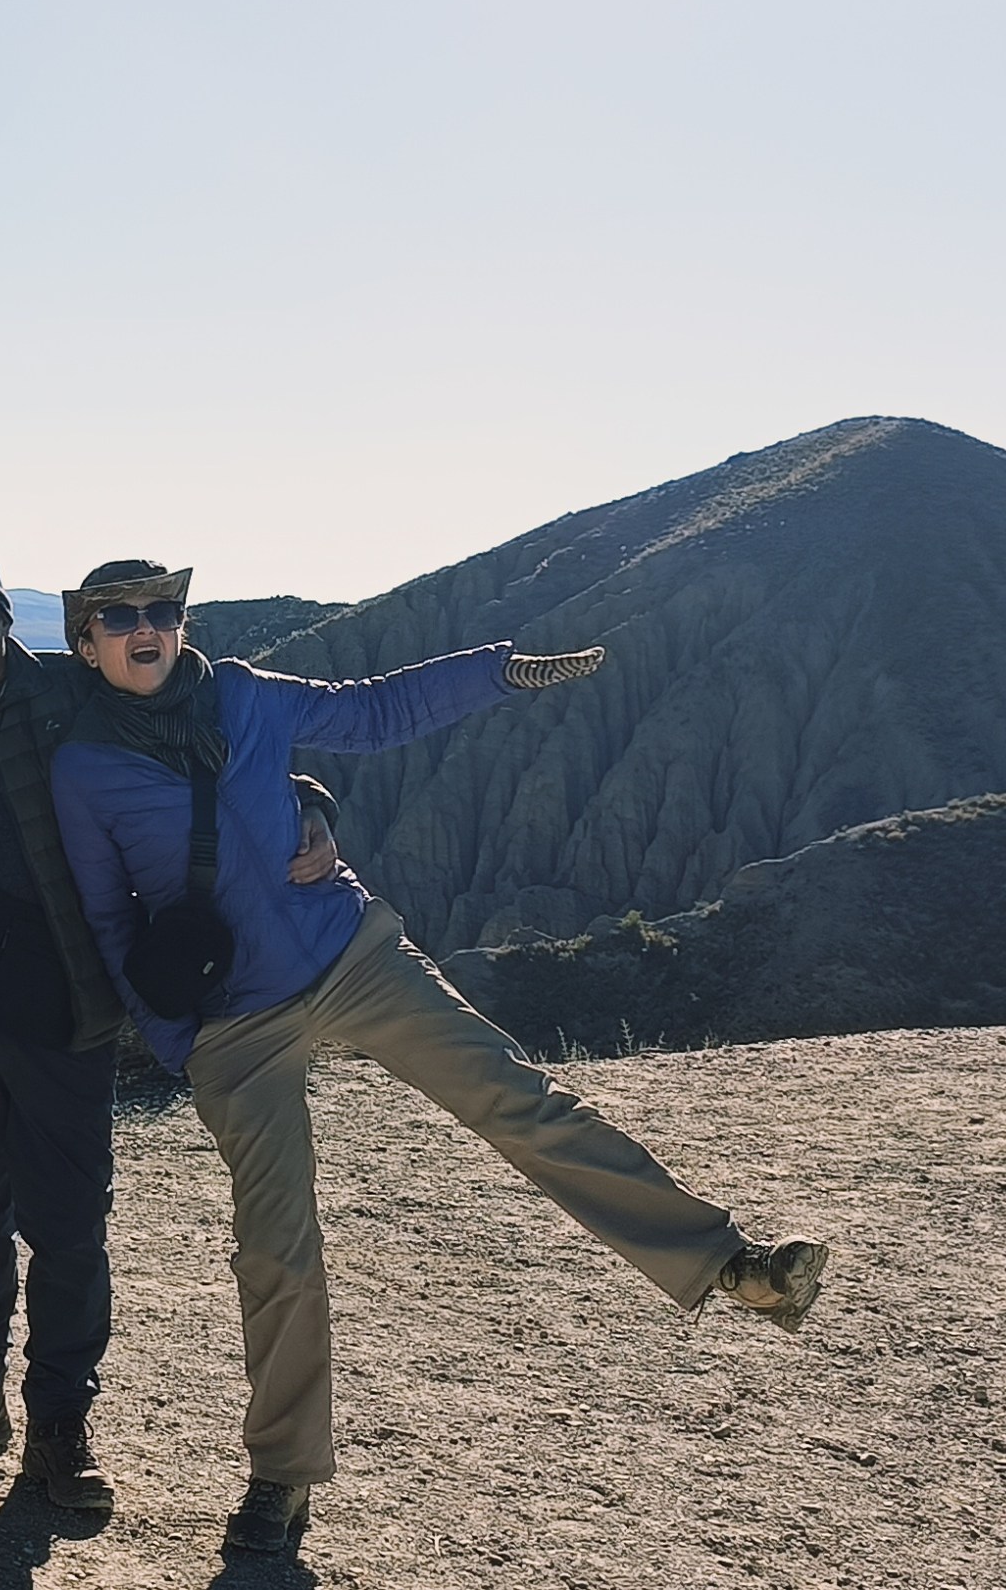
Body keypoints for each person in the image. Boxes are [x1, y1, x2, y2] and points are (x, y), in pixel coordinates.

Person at [46, 559, 831, 1556]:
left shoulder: (241, 694)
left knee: (517, 1100)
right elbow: (105, 915)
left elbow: (371, 711)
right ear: (86, 644)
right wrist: (178, 1040)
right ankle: (283, 1475)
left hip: (347, 954)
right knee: (276, 1245)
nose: (146, 627)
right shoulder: (82, 768)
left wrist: (497, 672)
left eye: (163, 609)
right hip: (232, 1016)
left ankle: (729, 1264)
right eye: (119, 617)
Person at [0, 541, 351, 1514]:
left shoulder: (69, 695)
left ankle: (60, 1425)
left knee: (67, 1221)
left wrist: (307, 802)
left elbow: (198, 744)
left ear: (4, 619)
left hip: (61, 1001)